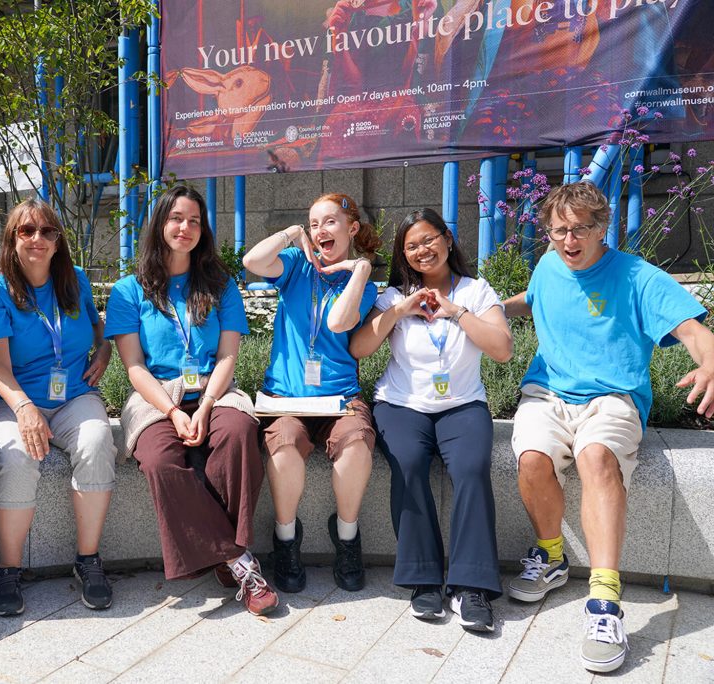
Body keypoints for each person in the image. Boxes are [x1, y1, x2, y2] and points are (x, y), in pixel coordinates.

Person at [503, 181, 714, 673]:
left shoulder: (638, 277)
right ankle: (551, 557)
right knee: (531, 459)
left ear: (603, 228)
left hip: (612, 397)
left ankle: (604, 600)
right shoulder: (549, 264)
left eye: (581, 229)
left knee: (596, 457)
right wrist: (486, 308)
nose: (569, 240)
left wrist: (709, 361)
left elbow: (693, 330)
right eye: (559, 230)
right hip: (548, 393)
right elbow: (534, 298)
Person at [105, 185, 278, 616]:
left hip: (214, 389)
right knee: (159, 460)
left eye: (195, 221)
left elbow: (228, 356)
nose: (185, 227)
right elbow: (134, 367)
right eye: (176, 218)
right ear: (160, 224)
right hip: (156, 394)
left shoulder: (220, 286)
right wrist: (170, 411)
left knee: (238, 433)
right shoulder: (129, 290)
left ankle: (225, 556)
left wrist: (206, 405)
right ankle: (238, 559)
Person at [350, 208, 512, 632]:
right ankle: (423, 580)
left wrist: (456, 312)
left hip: (462, 405)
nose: (422, 250)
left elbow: (502, 349)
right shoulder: (393, 296)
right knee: (408, 463)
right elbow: (360, 348)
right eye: (411, 246)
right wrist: (400, 310)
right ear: (403, 255)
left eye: (429, 240)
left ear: (447, 239)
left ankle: (471, 586)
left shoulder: (476, 291)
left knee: (472, 468)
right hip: (401, 405)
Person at [0, 199, 117, 615]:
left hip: (74, 397)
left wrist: (104, 349)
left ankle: (88, 560)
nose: (37, 238)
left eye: (47, 231)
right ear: (12, 239)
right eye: (26, 231)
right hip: (14, 401)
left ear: (58, 242)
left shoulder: (75, 281)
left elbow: (99, 329)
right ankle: (9, 570)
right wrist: (24, 408)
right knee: (17, 457)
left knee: (97, 441)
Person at [242, 192, 379, 594]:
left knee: (356, 443)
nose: (320, 231)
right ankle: (286, 539)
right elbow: (252, 261)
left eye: (330, 222)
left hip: (339, 398)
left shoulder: (364, 283)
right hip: (286, 398)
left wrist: (360, 269)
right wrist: (291, 233)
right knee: (284, 445)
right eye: (314, 223)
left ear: (352, 228)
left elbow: (338, 322)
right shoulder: (297, 265)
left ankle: (347, 537)